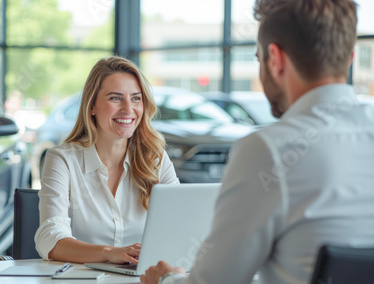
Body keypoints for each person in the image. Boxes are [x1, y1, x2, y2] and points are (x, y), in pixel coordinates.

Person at [141, 0, 374, 283]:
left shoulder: (269, 150)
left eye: (258, 59)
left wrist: (165, 280)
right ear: (349, 58)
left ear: (275, 59)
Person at [34, 56, 179, 264]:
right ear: (92, 106)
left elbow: (180, 225)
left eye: (136, 98)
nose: (128, 109)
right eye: (115, 98)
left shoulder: (155, 159)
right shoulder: (62, 160)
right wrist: (109, 252)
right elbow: (50, 239)